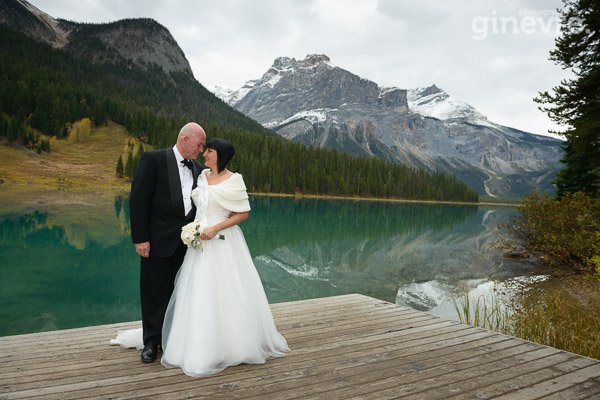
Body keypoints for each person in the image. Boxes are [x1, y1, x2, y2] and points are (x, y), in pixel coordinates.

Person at [160, 138, 289, 376]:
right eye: (205, 150)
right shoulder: (202, 177)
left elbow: (243, 214)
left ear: (221, 155)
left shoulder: (234, 179)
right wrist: (195, 231)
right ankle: (195, 344)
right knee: (199, 292)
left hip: (223, 242)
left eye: (209, 151)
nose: (204, 154)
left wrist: (216, 228)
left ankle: (234, 346)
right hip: (200, 244)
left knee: (228, 291)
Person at [128, 122, 205, 363]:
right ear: (185, 139)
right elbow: (138, 200)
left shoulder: (199, 169)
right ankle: (151, 342)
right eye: (199, 144)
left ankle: (171, 339)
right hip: (156, 242)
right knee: (153, 291)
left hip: (185, 246)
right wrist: (141, 238)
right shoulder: (153, 159)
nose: (201, 150)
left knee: (178, 293)